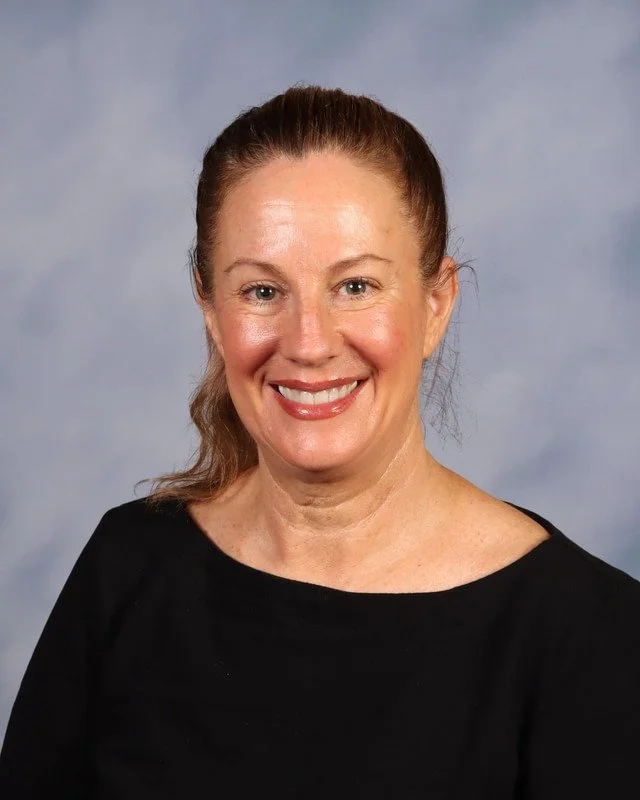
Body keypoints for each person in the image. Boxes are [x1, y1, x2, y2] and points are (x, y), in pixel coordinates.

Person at [0, 85, 638, 799]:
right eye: (263, 293)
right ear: (210, 308)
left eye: (357, 286)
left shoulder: (595, 636)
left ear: (436, 305)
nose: (308, 344)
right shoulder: (127, 571)